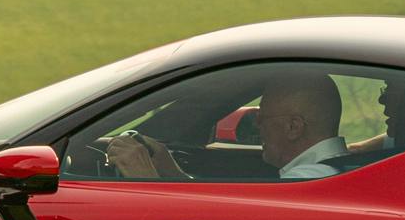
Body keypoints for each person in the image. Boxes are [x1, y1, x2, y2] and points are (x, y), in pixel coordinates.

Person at [103, 70, 351, 181]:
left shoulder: (306, 182)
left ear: (293, 127)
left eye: (262, 117)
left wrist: (144, 176)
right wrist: (173, 174)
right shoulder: (325, 173)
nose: (257, 124)